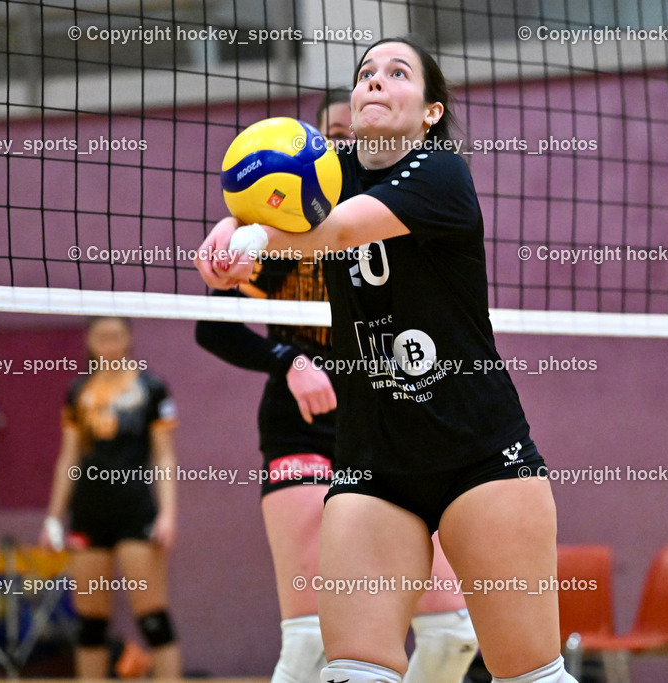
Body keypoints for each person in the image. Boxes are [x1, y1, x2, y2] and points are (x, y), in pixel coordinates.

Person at [196, 37, 576, 683]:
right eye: (365, 72)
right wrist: (229, 230)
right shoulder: (333, 169)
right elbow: (263, 182)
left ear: (429, 110)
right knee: (351, 670)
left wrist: (254, 236)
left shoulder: (440, 170)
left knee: (527, 674)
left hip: (479, 456)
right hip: (373, 462)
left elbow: (339, 231)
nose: (374, 81)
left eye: (396, 73)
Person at [194, 90, 478, 683]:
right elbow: (212, 326)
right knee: (309, 644)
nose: (343, 146)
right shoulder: (276, 231)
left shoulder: (406, 211)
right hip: (304, 422)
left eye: (354, 136)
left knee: (453, 635)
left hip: (390, 420)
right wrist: (288, 361)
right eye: (332, 137)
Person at [41, 317, 182, 678]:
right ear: (88, 340)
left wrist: (168, 514)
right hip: (88, 512)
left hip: (136, 510)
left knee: (152, 615)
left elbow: (164, 455)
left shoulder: (152, 388)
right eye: (101, 335)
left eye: (116, 335)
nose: (109, 342)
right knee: (90, 620)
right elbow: (68, 458)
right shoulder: (77, 392)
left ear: (129, 338)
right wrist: (53, 517)